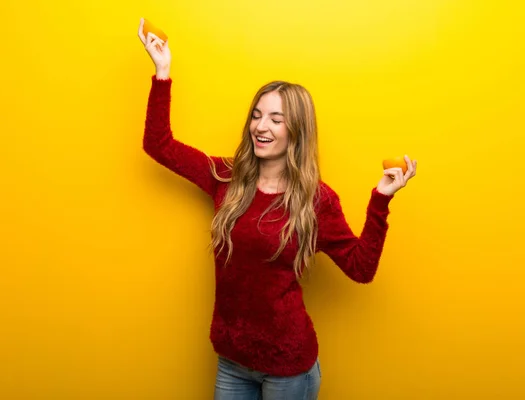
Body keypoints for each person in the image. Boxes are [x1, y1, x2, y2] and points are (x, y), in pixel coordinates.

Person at [137, 18, 417, 400]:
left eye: (275, 118)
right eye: (256, 114)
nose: (260, 126)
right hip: (231, 359)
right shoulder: (225, 176)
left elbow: (360, 268)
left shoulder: (316, 200)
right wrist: (163, 71)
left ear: (296, 130)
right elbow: (160, 145)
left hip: (288, 369)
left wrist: (381, 200)